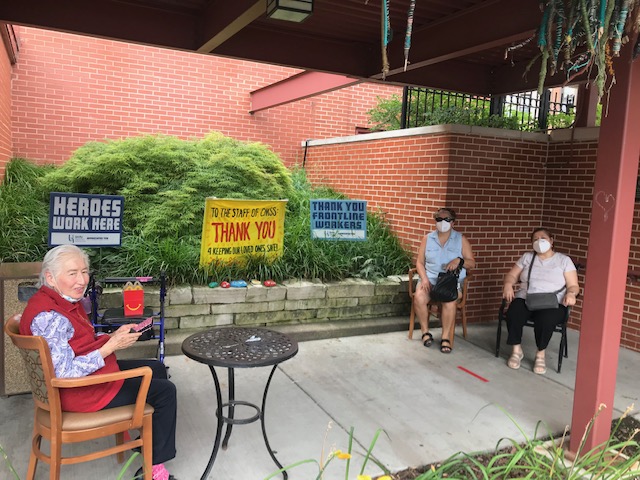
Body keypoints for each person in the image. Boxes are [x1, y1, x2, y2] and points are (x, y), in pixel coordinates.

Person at [19, 245, 177, 480]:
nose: (82, 280)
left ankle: (147, 438)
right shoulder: (49, 316)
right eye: (72, 273)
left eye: (84, 271)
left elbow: (78, 343)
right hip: (80, 392)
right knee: (166, 393)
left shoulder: (57, 300)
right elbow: (64, 374)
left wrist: (112, 337)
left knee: (157, 368)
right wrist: (110, 347)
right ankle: (154, 470)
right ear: (50, 277)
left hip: (89, 380)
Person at [502, 227, 579, 375]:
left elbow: (574, 285)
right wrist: (508, 284)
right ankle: (516, 350)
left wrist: (571, 294)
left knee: (546, 320)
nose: (539, 242)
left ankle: (540, 354)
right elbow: (511, 275)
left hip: (552, 302)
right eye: (535, 239)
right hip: (527, 297)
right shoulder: (527, 257)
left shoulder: (563, 260)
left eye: (543, 238)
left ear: (551, 240)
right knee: (514, 313)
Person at [413, 208, 476, 353]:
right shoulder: (428, 238)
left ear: (453, 222)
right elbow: (419, 263)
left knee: (449, 300)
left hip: (450, 282)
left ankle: (445, 337)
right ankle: (425, 332)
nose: (443, 222)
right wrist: (424, 279)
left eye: (446, 219)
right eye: (439, 219)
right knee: (419, 297)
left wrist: (460, 261)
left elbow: (472, 263)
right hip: (431, 280)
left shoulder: (461, 239)